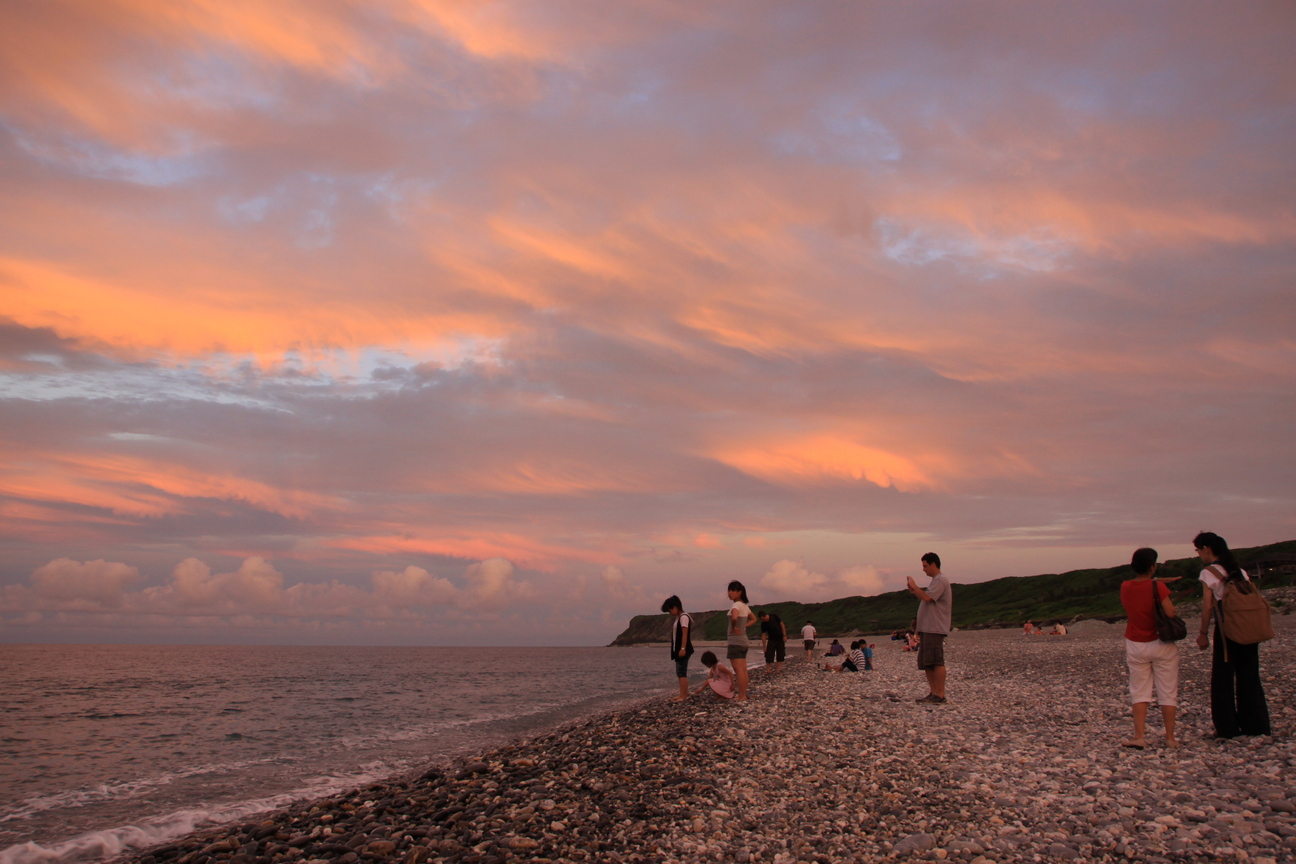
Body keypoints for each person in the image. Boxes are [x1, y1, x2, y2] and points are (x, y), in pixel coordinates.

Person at [1194, 531, 1271, 738]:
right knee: (1249, 675)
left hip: (1227, 629)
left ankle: (1227, 727)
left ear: (1206, 549)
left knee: (1223, 677)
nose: (1198, 554)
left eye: (1198, 550)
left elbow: (1207, 607)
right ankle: (1257, 725)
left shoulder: (1208, 573)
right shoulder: (1240, 571)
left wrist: (1203, 633)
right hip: (1248, 625)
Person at [1120, 548, 1179, 749]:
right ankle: (1170, 738)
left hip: (1136, 642)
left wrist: (1157, 581)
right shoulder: (1158, 587)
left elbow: (1140, 585)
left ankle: (1139, 736)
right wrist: (1161, 584)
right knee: (1167, 690)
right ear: (1153, 567)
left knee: (1139, 690)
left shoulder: (1125, 586)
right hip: (1161, 642)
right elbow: (1170, 613)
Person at [907, 552, 952, 704]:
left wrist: (916, 587)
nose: (924, 569)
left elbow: (927, 597)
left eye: (925, 566)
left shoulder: (940, 580)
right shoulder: (935, 581)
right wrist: (914, 591)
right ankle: (933, 692)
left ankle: (940, 694)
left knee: (936, 661)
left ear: (933, 564)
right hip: (927, 628)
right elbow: (925, 598)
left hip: (934, 627)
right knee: (927, 662)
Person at [726, 580, 756, 701]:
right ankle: (743, 694)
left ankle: (741, 695)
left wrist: (734, 628)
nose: (730, 593)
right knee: (743, 669)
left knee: (739, 670)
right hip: (743, 641)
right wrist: (744, 627)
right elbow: (754, 619)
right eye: (729, 590)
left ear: (740, 592)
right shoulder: (745, 606)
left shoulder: (736, 605)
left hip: (735, 641)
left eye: (733, 590)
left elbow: (734, 618)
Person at [661, 595, 693, 702]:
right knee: (680, 672)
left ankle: (683, 696)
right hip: (678, 649)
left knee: (682, 672)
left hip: (683, 649)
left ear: (675, 607)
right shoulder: (679, 617)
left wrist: (683, 648)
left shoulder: (684, 617)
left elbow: (685, 634)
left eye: (670, 611)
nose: (670, 613)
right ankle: (682, 694)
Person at [759, 610, 787, 675]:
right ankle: (768, 670)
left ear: (765, 615)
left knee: (780, 654)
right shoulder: (763, 624)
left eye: (763, 619)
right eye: (761, 619)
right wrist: (764, 647)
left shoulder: (774, 616)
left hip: (780, 638)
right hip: (771, 640)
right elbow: (763, 635)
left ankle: (778, 670)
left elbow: (782, 624)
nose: (763, 620)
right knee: (768, 655)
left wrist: (784, 635)